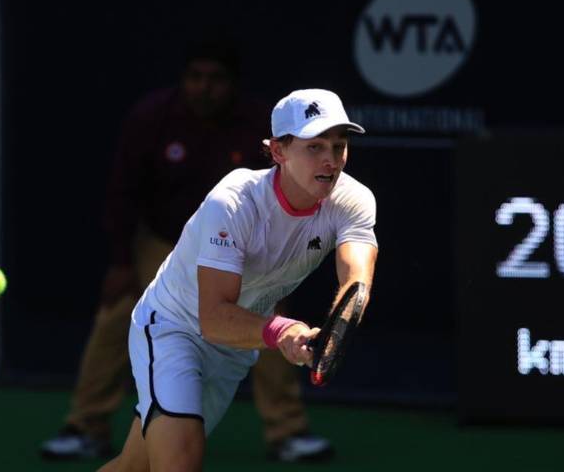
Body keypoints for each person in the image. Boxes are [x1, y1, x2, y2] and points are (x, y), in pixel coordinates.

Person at [40, 45, 333, 463]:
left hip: (242, 249)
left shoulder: (254, 125)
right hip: (162, 242)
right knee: (115, 316)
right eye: (195, 77)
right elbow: (123, 190)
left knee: (272, 319)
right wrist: (123, 260)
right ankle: (85, 424)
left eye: (214, 79)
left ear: (231, 84)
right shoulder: (153, 118)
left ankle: (286, 430)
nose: (204, 88)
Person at [98, 88, 378, 472]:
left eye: (339, 146)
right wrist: (284, 332)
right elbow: (212, 317)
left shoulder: (353, 200)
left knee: (134, 467)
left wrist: (339, 325)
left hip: (234, 347)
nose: (331, 161)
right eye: (315, 147)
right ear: (278, 151)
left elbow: (355, 279)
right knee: (180, 461)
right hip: (172, 327)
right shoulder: (232, 203)